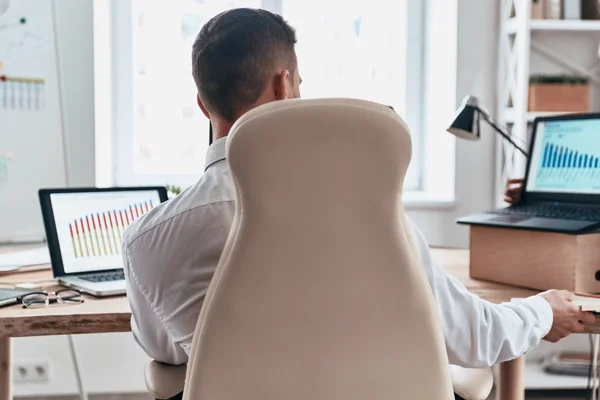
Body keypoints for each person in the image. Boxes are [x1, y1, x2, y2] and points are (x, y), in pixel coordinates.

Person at [122, 8, 594, 370]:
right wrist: (543, 312)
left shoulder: (146, 239)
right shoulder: (365, 206)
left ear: (203, 105)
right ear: (284, 86)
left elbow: (167, 349)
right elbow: (471, 336)